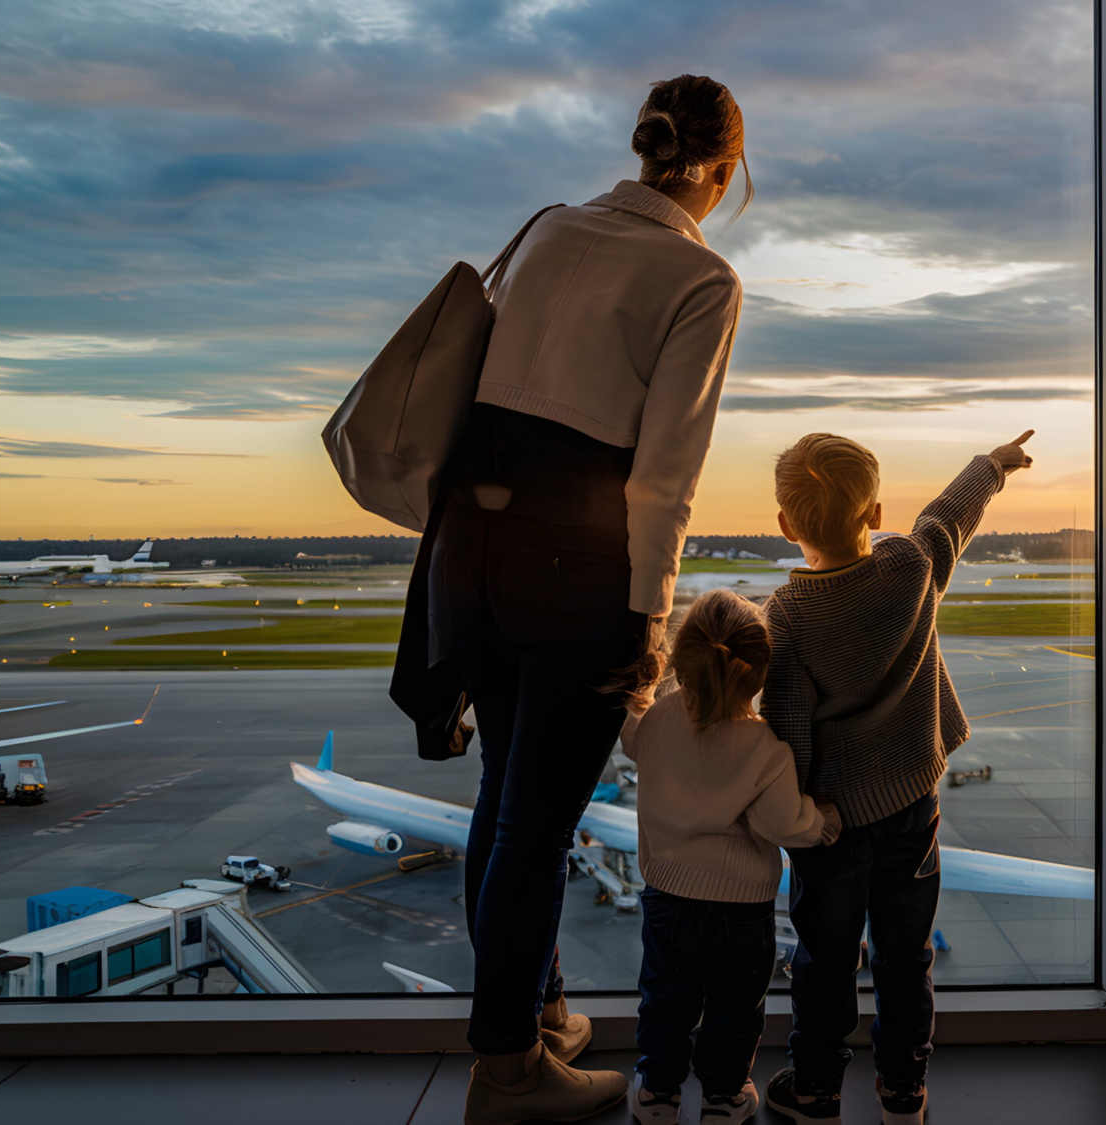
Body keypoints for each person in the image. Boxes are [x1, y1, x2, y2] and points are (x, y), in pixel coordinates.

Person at [434, 74, 752, 1125]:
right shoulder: (699, 277)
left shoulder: (545, 233)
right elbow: (665, 474)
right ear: (725, 169)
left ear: (642, 143)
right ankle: (508, 1073)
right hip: (573, 567)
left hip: (469, 549)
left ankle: (538, 1017)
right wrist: (650, 619)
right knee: (534, 826)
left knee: (501, 802)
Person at [758, 430, 1036, 1125]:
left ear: (786, 524)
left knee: (824, 959)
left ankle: (818, 1089)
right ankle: (904, 1091)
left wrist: (795, 815)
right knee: (905, 954)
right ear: (875, 513)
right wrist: (992, 465)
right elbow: (947, 518)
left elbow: (787, 730)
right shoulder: (909, 566)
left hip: (829, 823)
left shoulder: (786, 616)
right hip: (913, 806)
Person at [623, 588, 841, 1125]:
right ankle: (723, 1097)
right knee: (734, 1008)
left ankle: (657, 1095)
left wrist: (643, 687)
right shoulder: (765, 747)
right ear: (760, 675)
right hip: (741, 910)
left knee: (665, 999)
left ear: (684, 660)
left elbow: (632, 735)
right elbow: (783, 824)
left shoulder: (657, 722)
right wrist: (825, 822)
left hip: (667, 898)